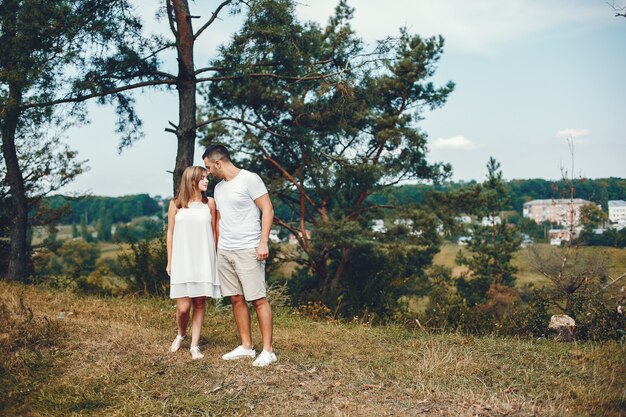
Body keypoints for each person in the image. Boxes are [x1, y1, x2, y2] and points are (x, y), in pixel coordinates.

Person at [203, 144, 277, 367]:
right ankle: (246, 347)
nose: (207, 172)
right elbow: (221, 220)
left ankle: (268, 351)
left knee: (257, 299)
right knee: (235, 298)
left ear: (218, 163)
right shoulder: (218, 189)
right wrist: (217, 249)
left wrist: (263, 242)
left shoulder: (249, 179)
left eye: (208, 167)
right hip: (226, 250)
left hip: (249, 248)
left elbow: (268, 209)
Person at [166, 166, 221, 360]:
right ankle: (181, 334)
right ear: (191, 181)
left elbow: (215, 231)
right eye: (203, 178)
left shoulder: (211, 203)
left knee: (199, 303)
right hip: (182, 259)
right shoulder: (176, 204)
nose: (207, 181)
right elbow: (170, 233)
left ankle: (195, 345)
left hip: (204, 258)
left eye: (207, 177)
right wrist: (169, 260)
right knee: (183, 307)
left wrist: (215, 257)